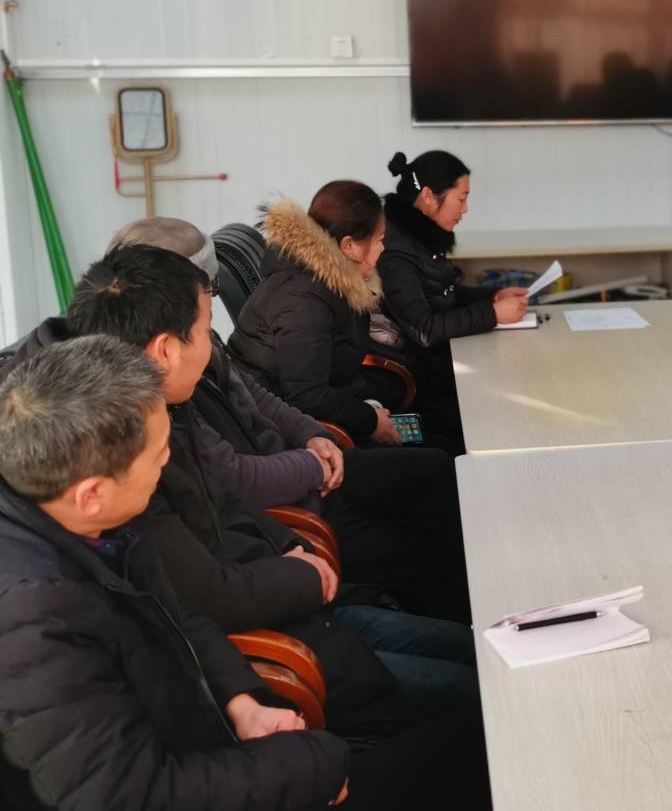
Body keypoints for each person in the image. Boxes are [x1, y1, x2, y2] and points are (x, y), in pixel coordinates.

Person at [0, 335, 484, 810]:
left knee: (474, 722)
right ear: (91, 494)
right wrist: (309, 769)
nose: (167, 463)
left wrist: (241, 700)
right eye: (158, 455)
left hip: (228, 739)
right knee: (474, 746)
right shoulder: (34, 623)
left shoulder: (92, 518)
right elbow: (134, 793)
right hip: (215, 775)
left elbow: (180, 615)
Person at [67, 245, 483, 730]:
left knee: (478, 650)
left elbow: (227, 503)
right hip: (282, 650)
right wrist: (304, 571)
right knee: (477, 691)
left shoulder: (166, 409)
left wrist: (291, 548)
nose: (211, 343)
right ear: (165, 350)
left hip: (300, 605)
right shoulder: (134, 458)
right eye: (203, 329)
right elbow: (204, 596)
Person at [107, 216, 472, 623]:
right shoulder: (156, 394)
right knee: (427, 543)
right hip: (285, 507)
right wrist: (313, 465)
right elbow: (233, 479)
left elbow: (258, 396)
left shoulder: (196, 340)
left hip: (300, 467)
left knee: (437, 471)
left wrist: (311, 434)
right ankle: (460, 631)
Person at [229, 180, 421, 449]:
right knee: (436, 456)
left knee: (428, 399)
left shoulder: (327, 279)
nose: (383, 248)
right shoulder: (303, 300)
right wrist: (371, 420)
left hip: (319, 392)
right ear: (349, 246)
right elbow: (306, 396)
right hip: (285, 428)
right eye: (379, 239)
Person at [372, 150, 529, 450]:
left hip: (445, 361)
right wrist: (493, 314)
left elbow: (444, 294)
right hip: (425, 381)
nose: (466, 209)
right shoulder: (396, 252)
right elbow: (425, 329)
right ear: (429, 197)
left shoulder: (420, 237)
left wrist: (493, 296)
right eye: (461, 198)